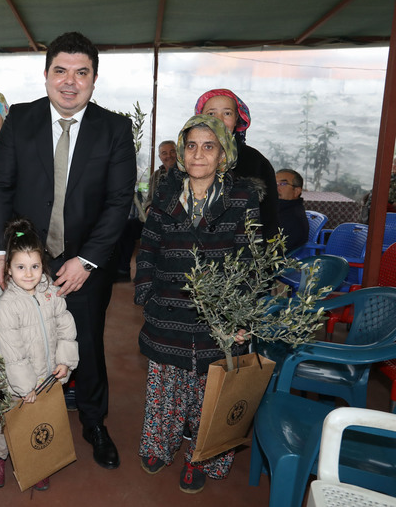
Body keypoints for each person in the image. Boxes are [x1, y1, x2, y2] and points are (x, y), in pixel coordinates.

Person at [0, 31, 136, 470]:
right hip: (25, 260)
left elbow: (118, 201)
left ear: (94, 79)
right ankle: (20, 421)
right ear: (47, 74)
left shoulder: (114, 128)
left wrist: (87, 259)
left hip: (85, 263)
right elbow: (0, 188)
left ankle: (93, 423)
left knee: (84, 341)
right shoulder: (21, 119)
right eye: (61, 71)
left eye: (81, 73)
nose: (70, 82)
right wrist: (0, 253)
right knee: (21, 340)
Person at [134, 114, 261, 494]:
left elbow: (251, 259)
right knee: (166, 385)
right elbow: (148, 248)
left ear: (224, 154)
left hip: (217, 318)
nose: (198, 154)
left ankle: (202, 455)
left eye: (209, 146)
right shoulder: (165, 194)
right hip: (167, 311)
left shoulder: (242, 197)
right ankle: (160, 445)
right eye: (191, 146)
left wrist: (240, 316)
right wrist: (146, 294)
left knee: (212, 390)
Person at [0, 218, 79, 491]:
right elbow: (12, 353)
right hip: (20, 382)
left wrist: (65, 361)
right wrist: (26, 386)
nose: (29, 274)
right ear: (9, 270)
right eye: (21, 267)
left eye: (35, 266)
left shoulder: (51, 292)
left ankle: (37, 462)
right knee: (14, 422)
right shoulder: (7, 305)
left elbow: (65, 327)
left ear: (43, 265)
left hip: (48, 374)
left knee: (41, 421)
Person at [195, 89, 279, 240]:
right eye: (211, 114)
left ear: (237, 120)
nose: (219, 120)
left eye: (227, 113)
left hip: (240, 255)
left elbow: (269, 219)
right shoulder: (186, 161)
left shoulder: (256, 162)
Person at [116, 140, 177, 279]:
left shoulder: (184, 173)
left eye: (172, 151)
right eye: (164, 153)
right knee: (127, 228)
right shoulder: (156, 175)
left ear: (178, 153)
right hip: (153, 219)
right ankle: (123, 272)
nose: (169, 156)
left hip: (174, 221)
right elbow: (148, 199)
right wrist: (149, 208)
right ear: (160, 157)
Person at [276, 168, 310, 253]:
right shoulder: (281, 208)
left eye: (283, 184)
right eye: (274, 183)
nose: (276, 187)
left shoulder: (293, 218)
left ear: (296, 191)